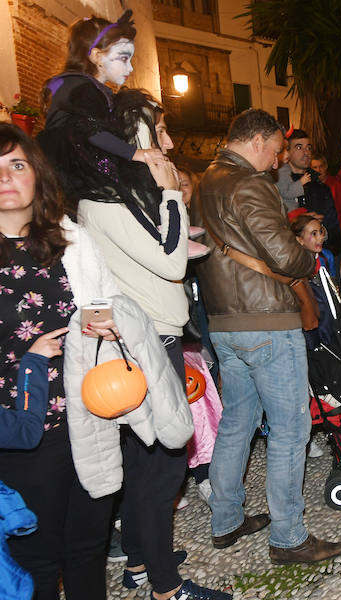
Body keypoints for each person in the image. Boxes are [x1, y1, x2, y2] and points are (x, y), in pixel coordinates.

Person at [77, 89, 225, 600]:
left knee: (152, 463)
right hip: (143, 347)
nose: (167, 142)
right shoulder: (102, 200)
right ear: (131, 136)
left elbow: (166, 250)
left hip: (158, 336)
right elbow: (170, 263)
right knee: (161, 470)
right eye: (157, 131)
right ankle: (165, 586)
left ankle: (141, 561)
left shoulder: (122, 197)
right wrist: (171, 195)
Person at [193, 109, 341, 563]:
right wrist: (304, 261)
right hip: (266, 321)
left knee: (237, 423)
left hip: (224, 320)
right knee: (290, 429)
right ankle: (288, 537)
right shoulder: (249, 183)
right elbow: (285, 255)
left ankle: (226, 520)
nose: (278, 159)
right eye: (277, 149)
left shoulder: (205, 182)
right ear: (257, 140)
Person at [0, 122, 120, 599]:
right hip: (22, 433)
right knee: (37, 558)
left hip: (88, 415)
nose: (6, 178)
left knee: (90, 548)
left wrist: (106, 323)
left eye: (17, 164)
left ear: (36, 175)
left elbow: (104, 299)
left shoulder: (71, 241)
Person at [36, 11, 165, 217]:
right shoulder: (82, 88)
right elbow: (93, 131)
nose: (130, 68)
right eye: (123, 58)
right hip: (72, 165)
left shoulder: (84, 86)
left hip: (74, 160)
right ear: (97, 56)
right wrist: (136, 153)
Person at [275, 129, 341, 255]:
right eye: (299, 147)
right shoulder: (276, 185)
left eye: (309, 148)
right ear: (287, 151)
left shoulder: (321, 188)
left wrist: (319, 231)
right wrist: (296, 223)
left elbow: (334, 230)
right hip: (288, 258)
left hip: (321, 260)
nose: (306, 153)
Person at [291, 214, 341, 347]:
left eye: (320, 232)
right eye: (313, 234)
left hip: (330, 315)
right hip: (311, 319)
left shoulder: (326, 256)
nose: (320, 237)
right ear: (300, 240)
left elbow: (334, 286)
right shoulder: (296, 264)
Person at [310, 153, 341, 234]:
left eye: (321, 166)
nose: (318, 170)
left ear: (326, 166)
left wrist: (340, 231)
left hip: (335, 230)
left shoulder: (336, 184)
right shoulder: (308, 186)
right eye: (315, 167)